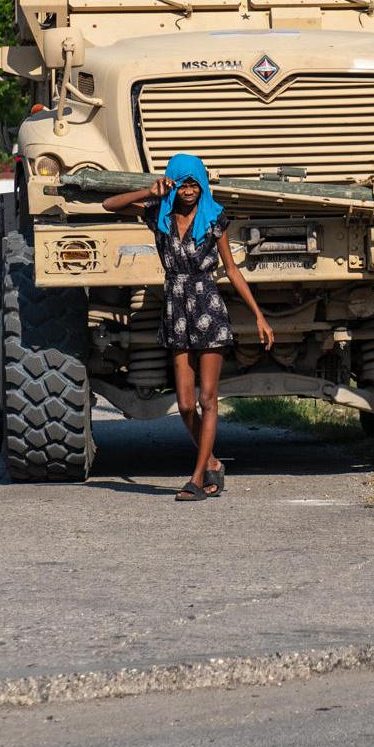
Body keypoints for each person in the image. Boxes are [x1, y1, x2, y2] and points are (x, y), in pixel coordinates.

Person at [104, 154, 275, 501]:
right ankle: (211, 461)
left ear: (203, 185)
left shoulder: (215, 218)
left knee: (208, 398)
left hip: (208, 308)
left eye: (196, 183)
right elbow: (109, 204)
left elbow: (231, 269)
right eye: (184, 183)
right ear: (174, 183)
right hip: (176, 308)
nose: (190, 190)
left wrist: (259, 315)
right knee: (184, 404)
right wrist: (149, 190)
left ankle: (197, 478)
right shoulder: (159, 215)